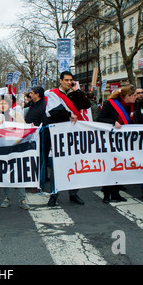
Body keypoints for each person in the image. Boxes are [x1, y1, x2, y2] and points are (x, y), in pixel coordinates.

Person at [45, 71, 91, 206]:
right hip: (59, 133)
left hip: (73, 134)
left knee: (74, 164)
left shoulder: (73, 93)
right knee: (56, 166)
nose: (68, 82)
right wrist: (69, 115)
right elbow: (52, 112)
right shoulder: (52, 94)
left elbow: (86, 105)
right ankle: (54, 193)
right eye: (66, 80)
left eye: (71, 80)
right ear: (60, 80)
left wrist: (77, 91)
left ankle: (73, 193)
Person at [97, 85, 137, 203]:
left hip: (124, 141)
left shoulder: (131, 106)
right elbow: (99, 119)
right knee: (110, 167)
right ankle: (106, 194)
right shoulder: (111, 103)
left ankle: (116, 193)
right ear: (127, 96)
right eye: (134, 95)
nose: (136, 97)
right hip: (110, 140)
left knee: (119, 168)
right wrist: (113, 122)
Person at [0, 95, 30, 210]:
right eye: (1, 104)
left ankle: (22, 199)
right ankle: (6, 198)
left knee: (19, 173)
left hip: (16, 147)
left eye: (5, 103)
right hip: (3, 149)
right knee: (6, 172)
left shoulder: (16, 115)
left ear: (9, 104)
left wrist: (30, 127)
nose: (3, 106)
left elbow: (24, 127)